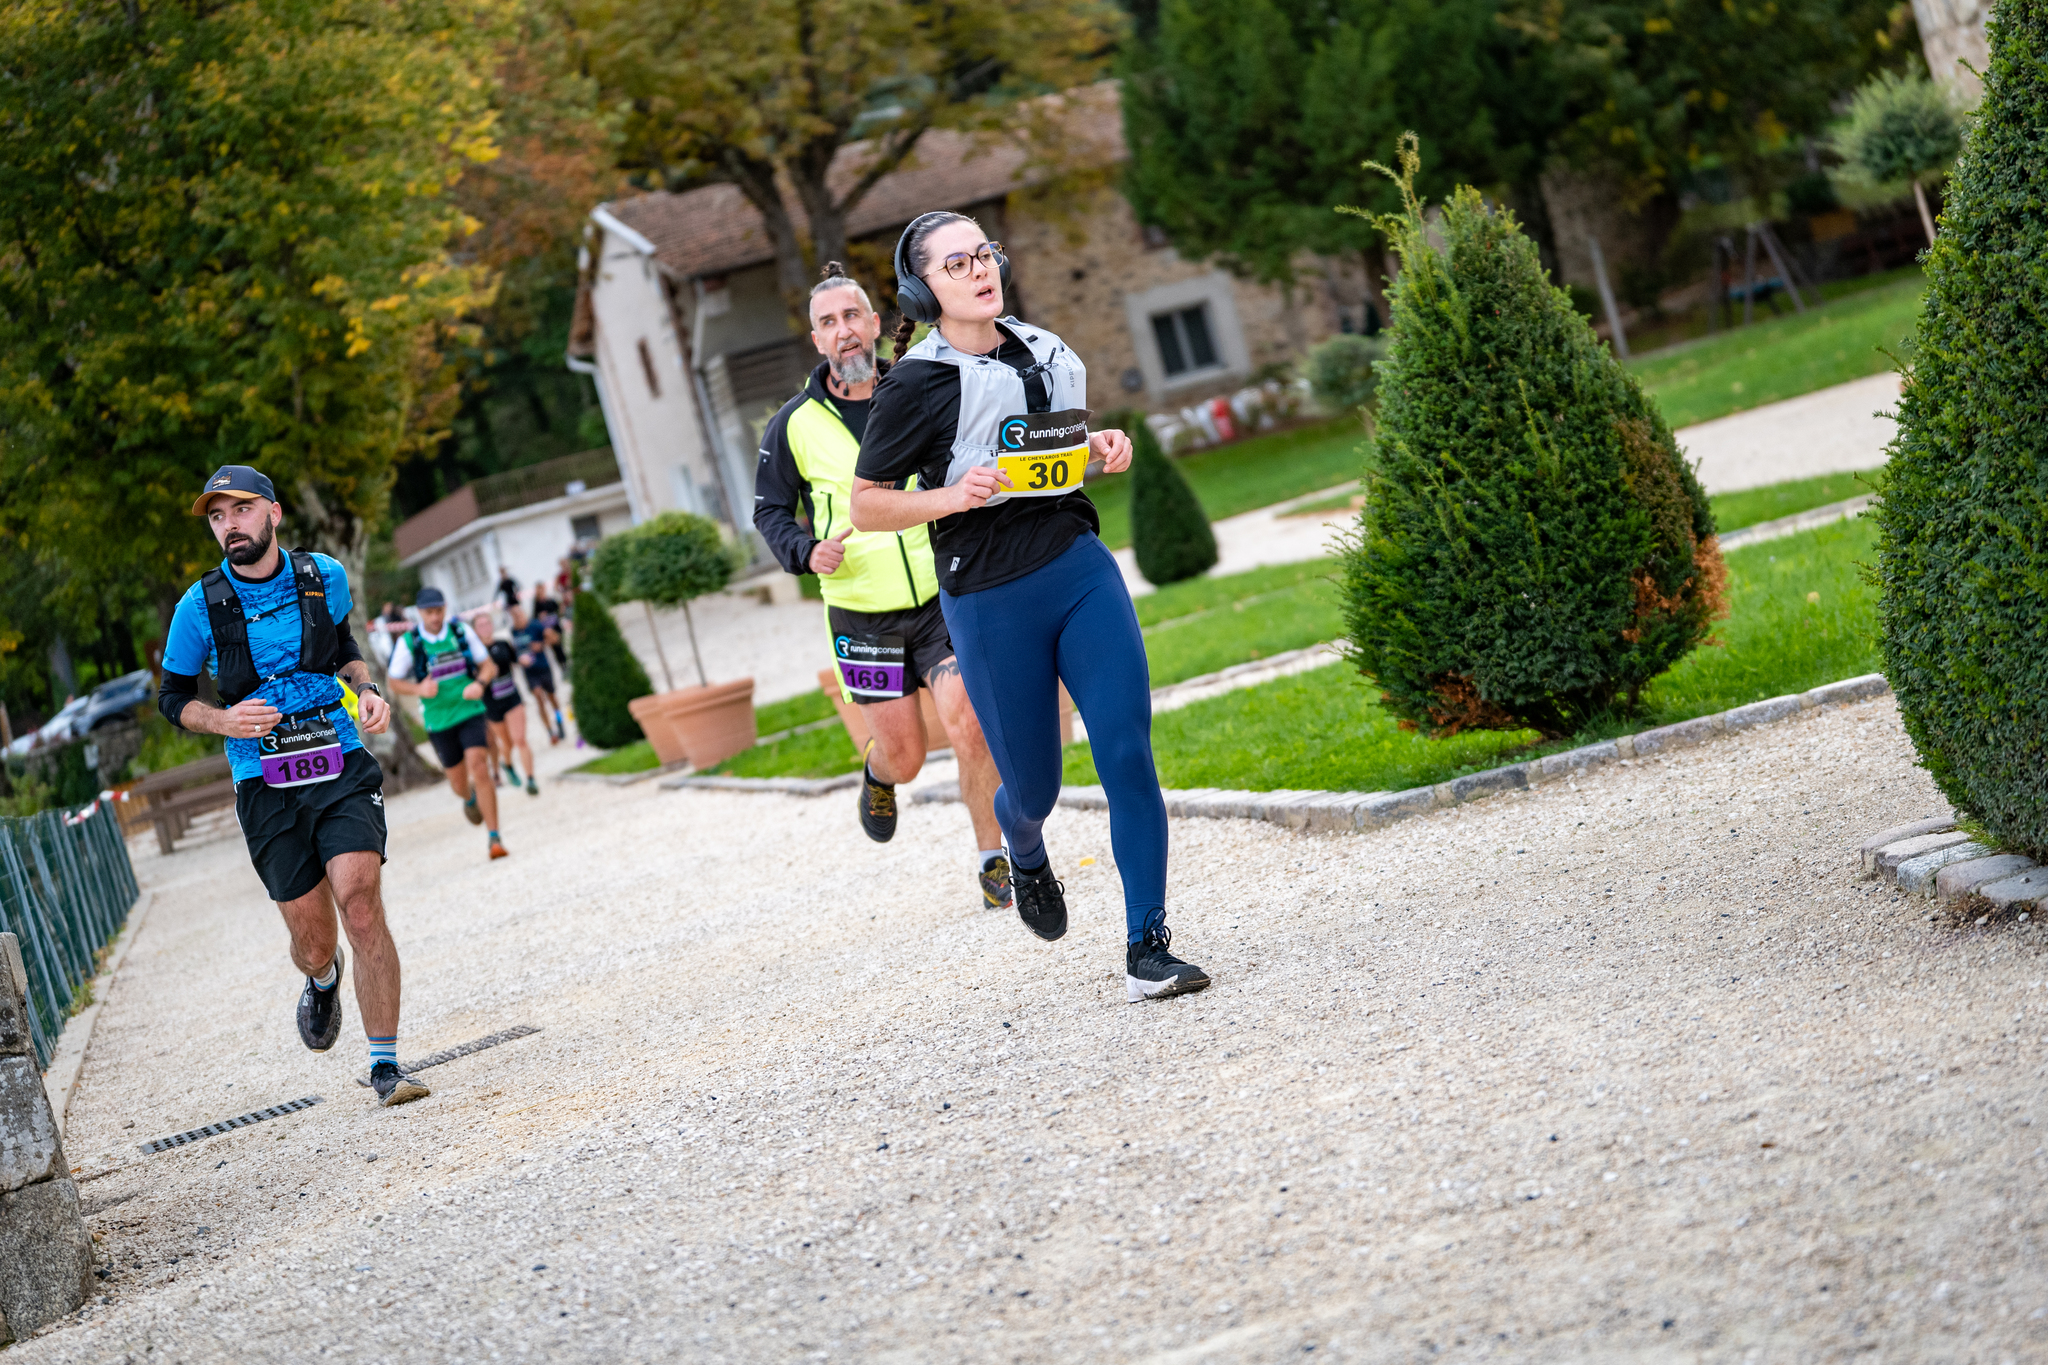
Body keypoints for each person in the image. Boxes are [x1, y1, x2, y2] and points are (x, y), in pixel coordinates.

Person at [850, 213, 1211, 1001]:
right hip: (987, 598)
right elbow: (866, 505)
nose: (980, 269)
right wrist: (950, 496)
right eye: (956, 263)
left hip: (1077, 569)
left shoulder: (1042, 350)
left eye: (984, 254)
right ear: (922, 290)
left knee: (1126, 750)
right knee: (1035, 789)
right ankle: (1022, 843)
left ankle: (1147, 946)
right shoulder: (914, 382)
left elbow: (1041, 450)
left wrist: (1097, 444)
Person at [157, 465, 430, 1106]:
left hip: (337, 757)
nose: (229, 526)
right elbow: (172, 697)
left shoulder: (322, 576)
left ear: (274, 513)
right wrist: (224, 720)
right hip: (263, 780)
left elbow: (344, 646)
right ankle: (322, 978)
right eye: (218, 517)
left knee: (360, 902)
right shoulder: (198, 607)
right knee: (314, 941)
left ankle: (386, 1066)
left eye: (241, 510)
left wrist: (366, 689)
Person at [755, 262, 1012, 909]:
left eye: (852, 316)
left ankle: (993, 858)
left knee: (969, 720)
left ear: (874, 324)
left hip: (938, 593)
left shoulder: (917, 388)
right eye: (828, 322)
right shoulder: (793, 424)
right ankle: (878, 773)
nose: (843, 330)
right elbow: (769, 510)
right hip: (861, 612)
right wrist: (804, 550)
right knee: (906, 757)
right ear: (816, 339)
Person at [387, 587, 509, 859]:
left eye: (439, 611)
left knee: (479, 765)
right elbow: (393, 682)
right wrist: (419, 689)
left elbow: (489, 666)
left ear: (445, 608)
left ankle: (494, 838)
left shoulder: (460, 632)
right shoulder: (410, 642)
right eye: (429, 612)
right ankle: (469, 797)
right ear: (420, 613)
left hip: (469, 709)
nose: (435, 617)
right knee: (457, 783)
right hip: (439, 720)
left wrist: (480, 684)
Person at [472, 611, 538, 796]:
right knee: (507, 743)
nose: (485, 628)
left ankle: (531, 779)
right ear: (475, 630)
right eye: (480, 625)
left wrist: (523, 660)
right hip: (492, 704)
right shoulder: (474, 654)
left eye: (487, 623)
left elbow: (515, 658)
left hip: (512, 697)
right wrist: (484, 676)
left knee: (520, 739)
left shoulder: (503, 644)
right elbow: (472, 679)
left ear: (492, 625)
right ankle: (507, 764)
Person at [518, 597, 566, 743]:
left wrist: (542, 644)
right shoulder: (513, 631)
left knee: (552, 698)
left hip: (543, 667)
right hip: (530, 672)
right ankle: (550, 731)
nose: (518, 618)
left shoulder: (535, 625)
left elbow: (555, 639)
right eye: (514, 616)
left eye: (519, 615)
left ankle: (559, 721)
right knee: (539, 697)